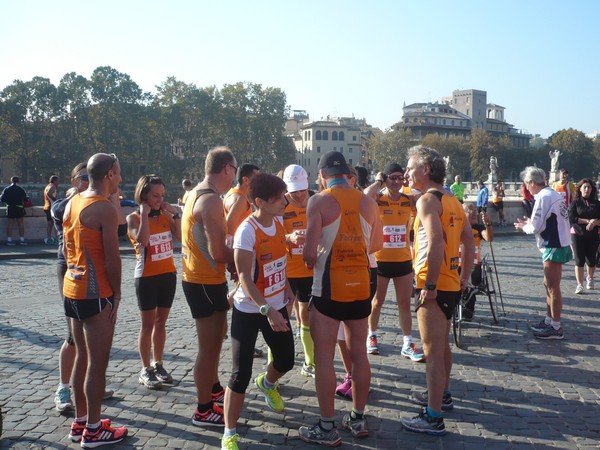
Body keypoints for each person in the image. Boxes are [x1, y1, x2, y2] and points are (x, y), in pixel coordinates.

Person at [298, 151, 383, 446]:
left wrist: (314, 246)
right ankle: (358, 417)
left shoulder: (318, 201)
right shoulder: (369, 202)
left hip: (329, 289)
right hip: (361, 286)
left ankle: (326, 426)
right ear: (348, 175)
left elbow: (309, 256)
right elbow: (375, 245)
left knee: (324, 357)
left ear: (322, 177)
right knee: (358, 353)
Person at [401, 145, 474, 436]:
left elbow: (435, 243)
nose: (406, 173)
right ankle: (442, 396)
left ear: (425, 170)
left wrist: (428, 285)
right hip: (452, 281)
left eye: (410, 167)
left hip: (433, 282)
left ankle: (433, 417)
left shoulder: (428, 200)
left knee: (432, 351)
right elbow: (469, 239)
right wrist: (465, 275)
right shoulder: (452, 199)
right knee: (442, 346)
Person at [221, 173, 295, 450]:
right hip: (250, 309)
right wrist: (267, 310)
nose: (285, 202)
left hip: (276, 304)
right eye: (279, 199)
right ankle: (229, 432)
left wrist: (285, 286)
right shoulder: (247, 231)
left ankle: (266, 383)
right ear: (260, 202)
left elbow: (277, 261)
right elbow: (245, 277)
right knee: (240, 374)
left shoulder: (277, 221)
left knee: (286, 361)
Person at [62, 153, 128, 447]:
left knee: (82, 358)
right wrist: (117, 294)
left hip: (72, 288)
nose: (122, 179)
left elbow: (66, 250)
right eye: (120, 173)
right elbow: (113, 260)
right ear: (111, 173)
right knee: (97, 364)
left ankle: (80, 422)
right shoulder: (102, 208)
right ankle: (93, 428)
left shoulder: (73, 201)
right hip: (96, 291)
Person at [181, 146, 237, 426]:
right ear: (227, 168)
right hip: (204, 279)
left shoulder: (195, 193)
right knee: (210, 347)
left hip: (199, 278)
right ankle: (203, 409)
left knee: (214, 341)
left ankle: (213, 389)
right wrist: (244, 258)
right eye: (235, 170)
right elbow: (218, 252)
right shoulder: (212, 199)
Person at [363, 163, 424, 361]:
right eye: (392, 178)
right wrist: (378, 181)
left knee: (404, 303)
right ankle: (371, 336)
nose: (397, 182)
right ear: (386, 179)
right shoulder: (379, 199)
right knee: (377, 302)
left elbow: (427, 195)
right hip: (381, 260)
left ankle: (407, 342)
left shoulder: (409, 199)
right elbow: (363, 197)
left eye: (400, 178)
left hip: (404, 260)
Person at [127, 175, 182, 389]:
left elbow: (179, 236)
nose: (159, 200)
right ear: (143, 195)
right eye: (155, 196)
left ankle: (158, 363)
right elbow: (142, 240)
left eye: (162, 196)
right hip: (146, 277)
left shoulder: (166, 217)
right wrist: (143, 213)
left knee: (161, 323)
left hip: (167, 274)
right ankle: (145, 368)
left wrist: (175, 214)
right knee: (147, 325)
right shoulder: (134, 218)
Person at [515, 166, 572, 340]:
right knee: (548, 284)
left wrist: (524, 226)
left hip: (553, 244)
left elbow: (536, 227)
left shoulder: (544, 197)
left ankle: (555, 326)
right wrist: (530, 222)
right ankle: (549, 320)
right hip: (557, 242)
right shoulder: (552, 194)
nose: (526, 188)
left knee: (553, 286)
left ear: (532, 182)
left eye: (526, 184)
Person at [281, 164, 316, 377]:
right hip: (286, 271)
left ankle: (310, 362)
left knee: (306, 316)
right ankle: (274, 363)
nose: (300, 195)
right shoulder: (279, 203)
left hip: (310, 269)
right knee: (281, 318)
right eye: (294, 192)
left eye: (302, 190)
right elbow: (269, 233)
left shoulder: (315, 199)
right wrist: (289, 238)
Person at [461, 204, 494, 320]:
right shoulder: (456, 227)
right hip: (457, 262)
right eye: (470, 210)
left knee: (472, 274)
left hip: (474, 264)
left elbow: (489, 238)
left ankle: (468, 306)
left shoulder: (478, 227)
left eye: (475, 210)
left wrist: (488, 224)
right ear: (463, 213)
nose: (474, 212)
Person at [568, 178, 600, 294]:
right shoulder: (575, 203)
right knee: (579, 259)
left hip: (593, 234)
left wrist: (594, 222)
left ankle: (590, 277)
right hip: (577, 233)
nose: (587, 189)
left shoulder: (597, 204)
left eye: (589, 187)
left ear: (592, 189)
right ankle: (579, 284)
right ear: (580, 189)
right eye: (584, 187)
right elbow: (571, 218)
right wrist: (588, 221)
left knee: (591, 261)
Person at [1, 176, 29, 245]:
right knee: (20, 224)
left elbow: (2, 199)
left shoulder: (7, 189)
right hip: (19, 208)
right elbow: (26, 199)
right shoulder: (21, 189)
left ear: (11, 181)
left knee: (10, 224)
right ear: (18, 181)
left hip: (10, 207)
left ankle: (9, 240)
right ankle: (22, 239)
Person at [43, 175, 59, 244]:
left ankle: (49, 239)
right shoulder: (52, 186)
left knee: (49, 223)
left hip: (47, 207)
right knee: (55, 223)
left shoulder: (47, 186)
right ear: (54, 181)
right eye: (58, 181)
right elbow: (49, 193)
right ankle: (56, 239)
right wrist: (56, 200)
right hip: (51, 207)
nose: (59, 183)